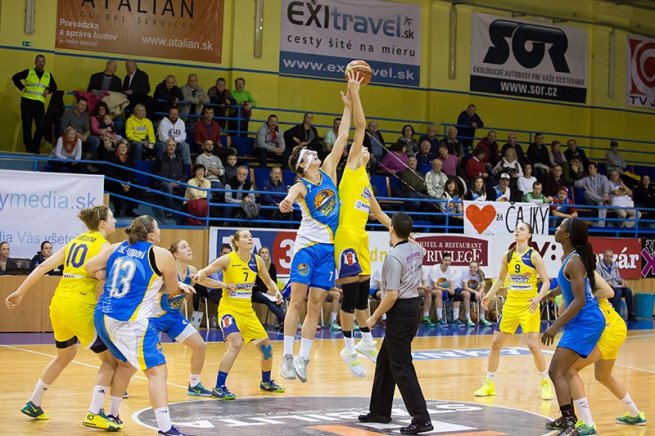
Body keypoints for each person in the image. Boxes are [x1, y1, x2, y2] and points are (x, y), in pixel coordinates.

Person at [5, 206, 121, 430]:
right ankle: (95, 413)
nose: (115, 220)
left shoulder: (75, 241)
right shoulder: (102, 245)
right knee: (111, 361)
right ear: (103, 224)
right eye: (112, 217)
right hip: (79, 306)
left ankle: (34, 401)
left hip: (58, 304)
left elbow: (44, 266)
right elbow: (100, 275)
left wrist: (20, 291)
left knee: (65, 355)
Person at [278, 73, 356, 383]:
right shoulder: (299, 185)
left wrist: (348, 107)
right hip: (306, 248)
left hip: (328, 250)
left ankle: (303, 358)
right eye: (308, 153)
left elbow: (342, 139)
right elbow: (290, 196)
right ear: (301, 164)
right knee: (296, 301)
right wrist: (285, 203)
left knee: (315, 305)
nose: (315, 153)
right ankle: (286, 354)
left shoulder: (327, 171)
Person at [85, 215, 194, 436]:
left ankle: (113, 413)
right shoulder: (161, 254)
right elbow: (171, 290)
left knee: (125, 365)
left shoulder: (116, 246)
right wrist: (180, 286)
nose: (160, 232)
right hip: (129, 321)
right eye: (158, 228)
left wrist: (108, 279)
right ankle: (165, 427)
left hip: (103, 315)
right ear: (152, 234)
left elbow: (90, 267)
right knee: (157, 372)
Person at [332, 74, 391, 378]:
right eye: (361, 148)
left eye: (367, 149)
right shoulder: (352, 167)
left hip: (363, 236)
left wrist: (395, 227)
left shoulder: (366, 180)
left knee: (365, 289)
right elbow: (361, 127)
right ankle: (347, 345)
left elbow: (377, 211)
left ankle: (366, 339)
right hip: (346, 234)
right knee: (350, 294)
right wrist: (355, 94)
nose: (364, 149)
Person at [540, 272, 647, 434]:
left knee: (569, 369)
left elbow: (609, 292)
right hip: (609, 328)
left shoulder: (586, 272)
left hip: (609, 328)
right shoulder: (569, 287)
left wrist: (584, 296)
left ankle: (587, 423)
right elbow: (564, 312)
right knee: (603, 376)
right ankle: (635, 414)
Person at [359, 213, 433, 435]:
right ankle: (380, 411)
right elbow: (423, 250)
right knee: (385, 361)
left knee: (401, 366)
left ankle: (421, 418)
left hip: (400, 311)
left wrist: (373, 318)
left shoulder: (392, 258)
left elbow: (391, 295)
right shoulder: (416, 249)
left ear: (391, 230)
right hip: (413, 309)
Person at [194, 230, 285, 399]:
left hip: (247, 312)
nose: (249, 238)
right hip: (228, 309)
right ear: (236, 242)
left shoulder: (257, 260)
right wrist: (220, 283)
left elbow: (268, 280)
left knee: (267, 350)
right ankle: (219, 387)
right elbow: (202, 275)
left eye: (250, 236)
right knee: (235, 344)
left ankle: (266, 382)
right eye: (245, 236)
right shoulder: (228, 259)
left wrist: (276, 291)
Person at [540, 218, 606, 435]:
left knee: (556, 370)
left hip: (586, 321)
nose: (556, 228)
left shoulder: (574, 261)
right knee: (561, 370)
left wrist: (554, 326)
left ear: (567, 235)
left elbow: (579, 300)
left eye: (560, 226)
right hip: (581, 320)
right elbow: (569, 285)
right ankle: (568, 417)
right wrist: (552, 293)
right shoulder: (568, 258)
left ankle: (570, 422)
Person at [475, 222, 553, 400]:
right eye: (516, 228)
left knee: (533, 345)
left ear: (529, 235)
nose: (517, 231)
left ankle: (545, 382)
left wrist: (538, 298)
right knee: (496, 343)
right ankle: (489, 383)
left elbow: (546, 282)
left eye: (522, 229)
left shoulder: (534, 256)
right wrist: (488, 295)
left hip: (529, 305)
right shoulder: (508, 256)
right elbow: (501, 279)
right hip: (511, 305)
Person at [153, 240, 226, 396]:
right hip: (155, 317)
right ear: (175, 254)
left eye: (189, 245)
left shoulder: (191, 270)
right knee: (149, 354)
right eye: (184, 247)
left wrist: (224, 285)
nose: (189, 248)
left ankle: (194, 384)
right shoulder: (167, 268)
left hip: (174, 317)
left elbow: (204, 280)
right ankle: (120, 381)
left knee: (200, 345)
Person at [12, 54, 57, 153]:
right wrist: (21, 87)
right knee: (27, 124)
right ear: (35, 62)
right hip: (27, 102)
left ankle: (35, 145)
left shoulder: (48, 75)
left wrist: (48, 90)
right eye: (39, 61)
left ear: (45, 63)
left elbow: (54, 87)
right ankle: (28, 147)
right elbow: (15, 77)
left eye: (42, 61)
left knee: (41, 125)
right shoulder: (29, 72)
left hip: (39, 103)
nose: (40, 63)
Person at [596, 249, 636, 321]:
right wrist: (607, 283)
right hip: (607, 287)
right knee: (618, 292)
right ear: (603, 256)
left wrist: (622, 281)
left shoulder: (614, 265)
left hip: (617, 286)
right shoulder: (599, 266)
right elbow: (599, 280)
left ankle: (632, 315)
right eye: (607, 256)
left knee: (628, 291)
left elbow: (617, 277)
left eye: (610, 256)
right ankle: (616, 315)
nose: (609, 258)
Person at [252, 246, 285, 328]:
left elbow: (273, 281)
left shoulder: (272, 266)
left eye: (266, 253)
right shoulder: (255, 267)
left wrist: (274, 291)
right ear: (259, 255)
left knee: (277, 299)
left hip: (269, 291)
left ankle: (282, 323)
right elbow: (255, 285)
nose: (264, 255)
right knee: (269, 301)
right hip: (256, 292)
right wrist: (266, 291)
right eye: (262, 253)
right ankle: (286, 319)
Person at [105, 139, 138, 217]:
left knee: (137, 187)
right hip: (114, 180)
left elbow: (131, 172)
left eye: (125, 147)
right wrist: (122, 184)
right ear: (117, 148)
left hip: (126, 181)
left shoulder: (129, 158)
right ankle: (118, 209)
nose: (123, 149)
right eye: (121, 147)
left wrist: (128, 183)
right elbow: (111, 172)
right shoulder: (112, 156)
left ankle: (129, 210)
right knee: (117, 187)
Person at [574, 163, 610, 227]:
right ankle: (603, 200)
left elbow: (606, 187)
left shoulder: (603, 177)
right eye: (588, 168)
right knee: (586, 192)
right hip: (591, 201)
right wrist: (583, 185)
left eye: (591, 168)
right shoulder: (586, 179)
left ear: (596, 168)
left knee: (601, 203)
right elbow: (575, 184)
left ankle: (600, 225)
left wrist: (605, 193)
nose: (589, 169)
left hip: (600, 201)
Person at [456, 261, 491, 326]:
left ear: (478, 268)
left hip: (471, 290)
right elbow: (465, 287)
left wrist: (479, 293)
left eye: (474, 267)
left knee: (483, 295)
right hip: (460, 289)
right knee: (467, 294)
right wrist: (475, 292)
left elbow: (482, 288)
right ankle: (468, 318)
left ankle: (482, 318)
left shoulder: (481, 274)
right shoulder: (465, 272)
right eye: (471, 267)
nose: (472, 269)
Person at [429, 254, 459, 326]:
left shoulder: (451, 270)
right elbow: (435, 286)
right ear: (442, 260)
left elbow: (451, 284)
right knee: (439, 292)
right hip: (432, 290)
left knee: (457, 293)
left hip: (445, 290)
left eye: (449, 260)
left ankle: (456, 319)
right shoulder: (434, 268)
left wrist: (452, 290)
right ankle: (440, 319)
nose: (447, 262)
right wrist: (447, 289)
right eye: (445, 260)